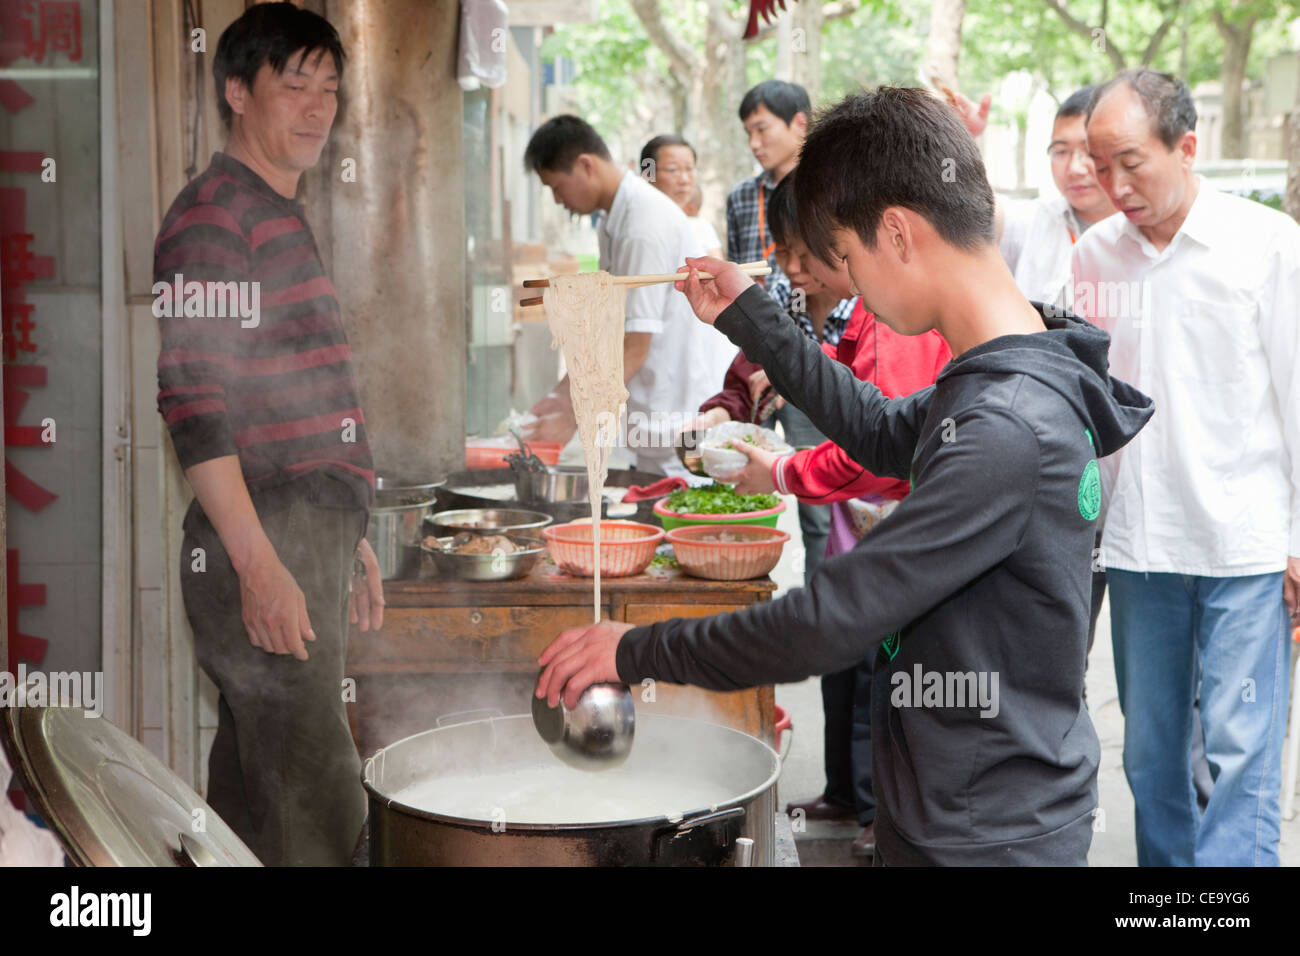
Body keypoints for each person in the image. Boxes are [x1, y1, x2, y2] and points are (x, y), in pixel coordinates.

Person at [537, 86, 1152, 866]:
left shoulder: (1006, 426)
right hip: (965, 797)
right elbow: (875, 425)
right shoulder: (1006, 372)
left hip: (984, 831)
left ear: (896, 231)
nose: (849, 283)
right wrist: (751, 313)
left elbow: (829, 619)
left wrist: (634, 651)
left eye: (848, 257)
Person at [153, 2, 383, 866]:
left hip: (303, 526)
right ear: (236, 91)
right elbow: (195, 406)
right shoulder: (213, 216)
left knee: (259, 780)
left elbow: (304, 400)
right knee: (311, 787)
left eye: (330, 87)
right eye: (295, 86)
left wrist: (348, 530)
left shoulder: (276, 210)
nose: (319, 107)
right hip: (263, 530)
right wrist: (261, 564)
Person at [1072, 68, 1300, 867]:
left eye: (1130, 161)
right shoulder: (1095, 256)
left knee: (1245, 758)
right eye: (1100, 166)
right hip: (1141, 548)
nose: (1112, 183)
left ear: (1188, 146)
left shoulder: (1266, 245)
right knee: (1151, 755)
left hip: (1247, 545)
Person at [710, 172, 951, 859]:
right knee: (852, 657)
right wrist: (743, 394)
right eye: (781, 254)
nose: (790, 268)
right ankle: (851, 794)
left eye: (801, 253)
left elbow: (877, 445)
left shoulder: (889, 312)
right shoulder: (839, 304)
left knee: (884, 665)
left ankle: (882, 812)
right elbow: (827, 390)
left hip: (892, 516)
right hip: (857, 512)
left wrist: (785, 471)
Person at [522, 116, 736, 475]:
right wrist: (561, 395)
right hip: (652, 415)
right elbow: (609, 326)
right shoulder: (612, 219)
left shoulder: (642, 225)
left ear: (585, 165)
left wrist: (575, 418)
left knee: (673, 518)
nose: (558, 200)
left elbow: (634, 345)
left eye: (557, 187)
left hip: (678, 417)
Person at [640, 134, 723, 257]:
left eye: (689, 169)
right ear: (648, 174)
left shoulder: (699, 226)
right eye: (672, 169)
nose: (684, 180)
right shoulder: (640, 227)